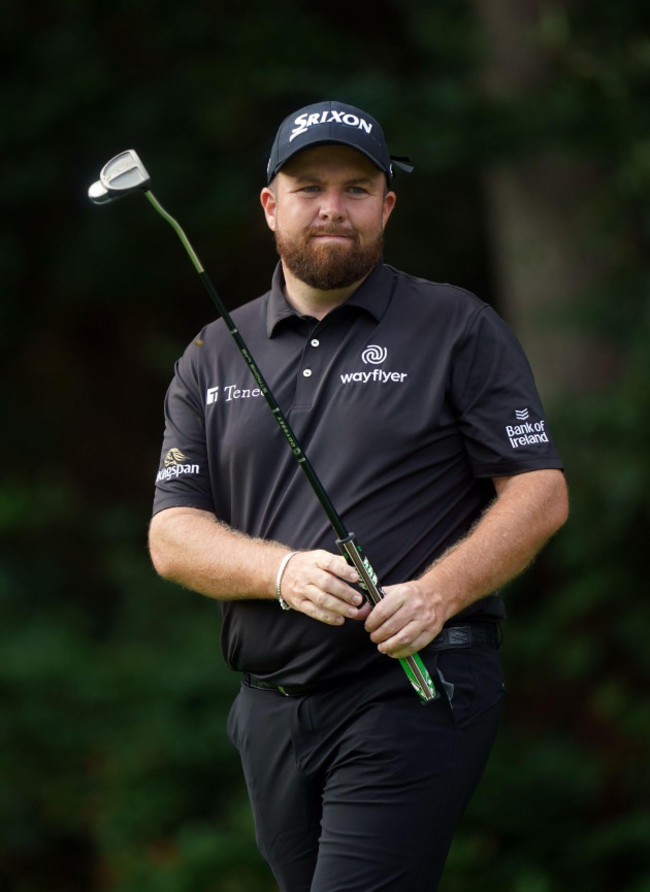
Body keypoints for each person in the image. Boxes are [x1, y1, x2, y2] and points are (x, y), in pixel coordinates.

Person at [148, 100, 569, 892]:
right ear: (272, 206)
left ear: (387, 206)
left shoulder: (454, 326)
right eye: (310, 187)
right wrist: (281, 573)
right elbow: (173, 535)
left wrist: (439, 594)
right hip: (271, 708)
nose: (333, 208)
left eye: (356, 188)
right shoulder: (212, 353)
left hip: (411, 685)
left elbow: (539, 490)